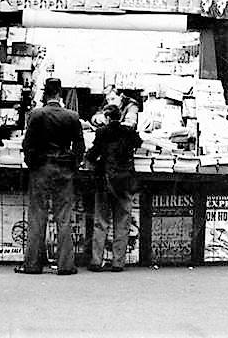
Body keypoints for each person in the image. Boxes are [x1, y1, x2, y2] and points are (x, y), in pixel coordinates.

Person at [19, 77, 85, 276]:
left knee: (37, 216)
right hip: (64, 170)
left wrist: (33, 163)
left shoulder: (36, 115)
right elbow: (80, 147)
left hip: (41, 169)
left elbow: (27, 144)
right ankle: (65, 265)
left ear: (45, 93)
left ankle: (32, 264)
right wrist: (72, 165)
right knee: (63, 218)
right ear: (60, 94)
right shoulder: (72, 116)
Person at [86, 103, 141, 272]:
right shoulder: (128, 132)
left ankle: (97, 261)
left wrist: (90, 161)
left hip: (105, 181)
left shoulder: (102, 132)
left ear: (108, 117)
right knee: (122, 222)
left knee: (101, 222)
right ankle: (118, 262)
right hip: (124, 182)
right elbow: (139, 142)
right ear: (120, 116)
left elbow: (93, 154)